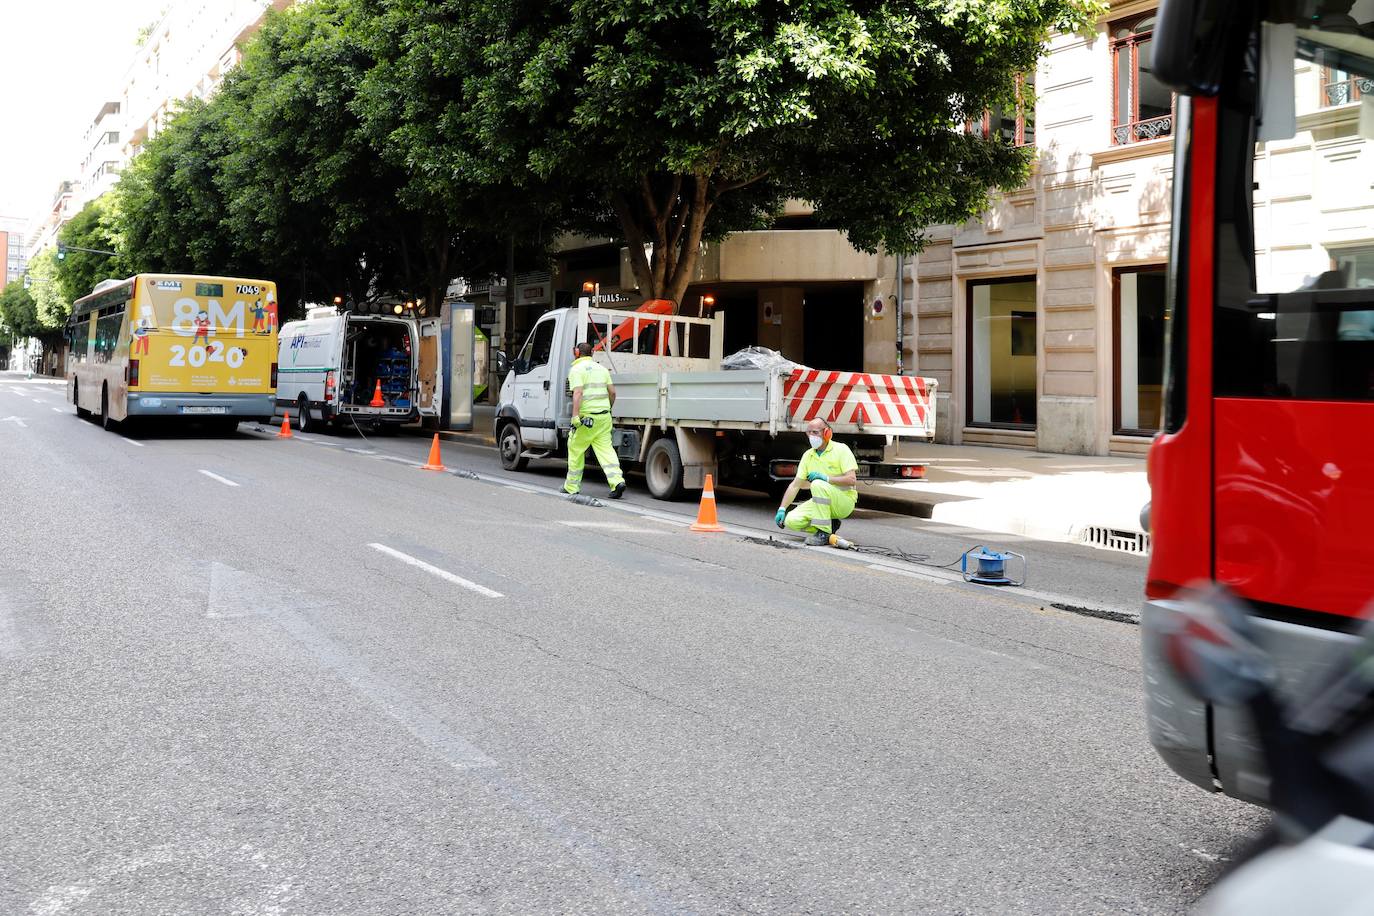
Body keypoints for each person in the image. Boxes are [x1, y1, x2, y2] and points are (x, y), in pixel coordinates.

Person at [775, 417, 859, 546]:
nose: (811, 436)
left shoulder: (841, 449)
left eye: (815, 432)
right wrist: (782, 508)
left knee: (817, 483)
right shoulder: (808, 455)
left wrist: (826, 478)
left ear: (827, 433)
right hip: (822, 502)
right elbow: (795, 485)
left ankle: (823, 534)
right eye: (809, 432)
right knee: (791, 520)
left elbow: (852, 480)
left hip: (843, 501)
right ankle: (829, 524)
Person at [564, 341, 626, 499]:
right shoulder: (602, 369)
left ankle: (571, 487)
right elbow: (612, 393)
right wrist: (608, 409)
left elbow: (578, 393)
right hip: (604, 417)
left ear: (577, 353)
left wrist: (575, 416)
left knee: (575, 449)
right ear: (592, 353)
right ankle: (617, 481)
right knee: (606, 450)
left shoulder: (576, 370)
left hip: (587, 418)